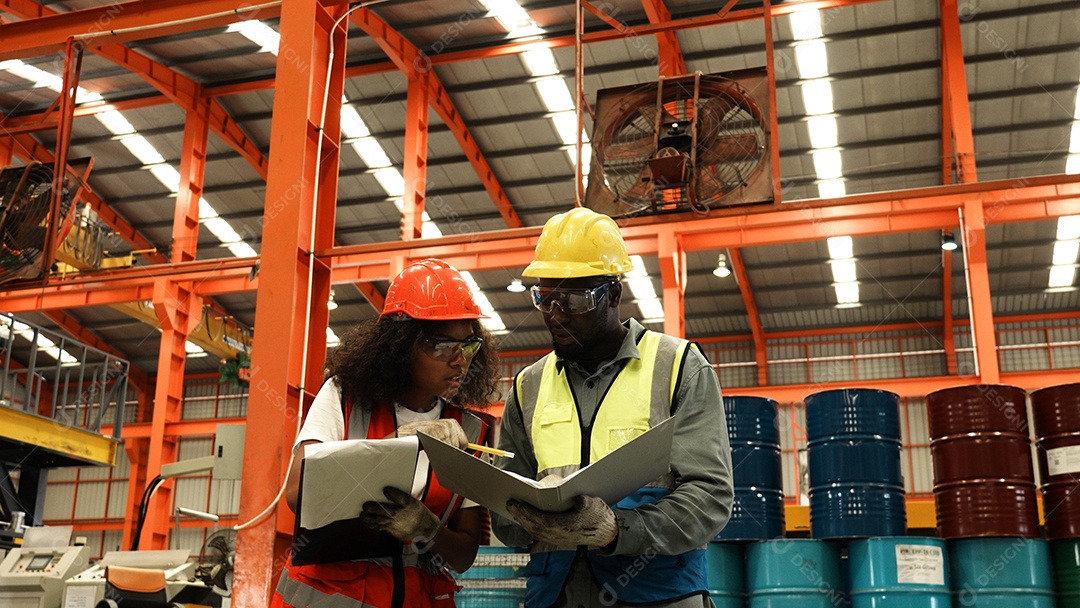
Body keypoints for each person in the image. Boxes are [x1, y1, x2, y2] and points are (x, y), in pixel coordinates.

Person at [492, 208, 733, 608]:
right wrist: (518, 518)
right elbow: (505, 511)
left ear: (614, 294)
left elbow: (710, 495)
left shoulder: (678, 367)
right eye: (545, 299)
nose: (555, 316)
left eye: (573, 300)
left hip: (657, 594)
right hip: (555, 594)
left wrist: (618, 531)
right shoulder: (527, 386)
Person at [272, 258, 502, 608]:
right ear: (400, 345)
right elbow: (298, 492)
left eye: (468, 345)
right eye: (442, 347)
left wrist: (429, 529)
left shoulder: (471, 431)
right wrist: (400, 445)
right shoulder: (345, 396)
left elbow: (463, 555)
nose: (460, 361)